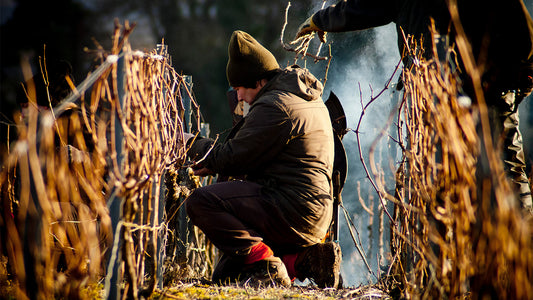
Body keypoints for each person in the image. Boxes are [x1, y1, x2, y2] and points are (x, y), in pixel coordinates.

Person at [296, 0, 533, 213]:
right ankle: (515, 249)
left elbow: (366, 8)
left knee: (445, 187)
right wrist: (518, 83)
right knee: (503, 173)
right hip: (482, 88)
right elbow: (525, 36)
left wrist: (320, 20)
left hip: (447, 94)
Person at [184, 30, 342, 287]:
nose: (238, 98)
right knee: (226, 277)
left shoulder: (275, 106)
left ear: (257, 82)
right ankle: (304, 259)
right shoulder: (300, 97)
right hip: (307, 211)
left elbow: (235, 157)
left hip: (292, 209)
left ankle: (268, 263)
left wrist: (192, 144)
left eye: (239, 89)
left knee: (201, 202)